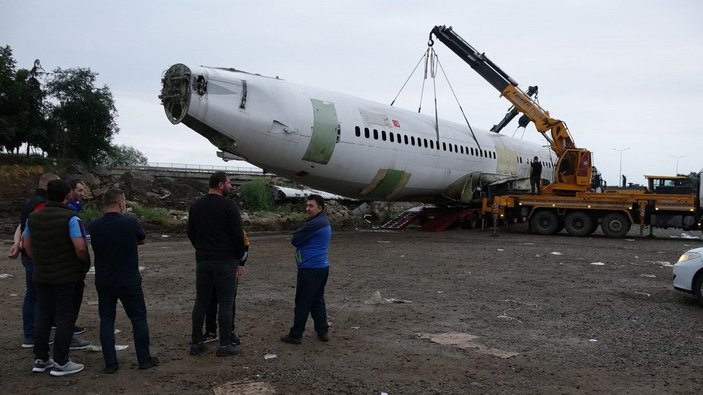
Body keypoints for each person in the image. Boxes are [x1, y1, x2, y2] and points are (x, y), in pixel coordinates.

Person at [23, 180, 91, 376]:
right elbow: (80, 247)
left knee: (43, 316)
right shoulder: (71, 218)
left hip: (42, 274)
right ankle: (62, 360)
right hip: (68, 276)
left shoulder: (33, 218)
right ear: (67, 195)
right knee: (65, 317)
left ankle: (41, 358)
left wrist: (39, 261)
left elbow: (27, 245)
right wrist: (84, 262)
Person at [88, 188, 159, 374]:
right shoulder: (130, 222)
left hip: (104, 279)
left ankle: (110, 363)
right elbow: (141, 238)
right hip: (128, 279)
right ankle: (144, 358)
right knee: (138, 319)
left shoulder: (94, 225)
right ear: (121, 202)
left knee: (107, 320)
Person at [187, 171, 246, 357]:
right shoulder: (229, 205)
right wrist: (239, 259)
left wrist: (202, 248)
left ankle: (197, 342)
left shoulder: (196, 205)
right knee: (226, 302)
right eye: (229, 183)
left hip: (203, 260)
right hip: (226, 261)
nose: (231, 186)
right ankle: (225, 344)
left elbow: (191, 232)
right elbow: (238, 236)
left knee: (201, 300)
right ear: (220, 185)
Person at [8, 173, 59, 348]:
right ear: (51, 185)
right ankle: (31, 334)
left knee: (34, 295)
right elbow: (36, 229)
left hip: (29, 256)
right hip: (36, 257)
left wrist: (17, 243)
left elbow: (22, 226)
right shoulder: (41, 204)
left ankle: (33, 332)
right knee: (37, 296)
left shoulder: (31, 201)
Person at [281, 194, 332, 344]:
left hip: (310, 269)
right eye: (307, 205)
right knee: (317, 300)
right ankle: (322, 331)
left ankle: (296, 334)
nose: (307, 209)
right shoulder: (323, 221)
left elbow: (295, 239)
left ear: (320, 208)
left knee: (303, 302)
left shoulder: (315, 224)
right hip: (321, 267)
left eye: (311, 206)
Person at [203, 229, 250, 345]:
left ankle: (229, 332)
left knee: (228, 302)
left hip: (228, 267)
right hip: (214, 266)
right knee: (212, 300)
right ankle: (211, 331)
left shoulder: (234, 224)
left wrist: (240, 263)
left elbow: (245, 246)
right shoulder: (209, 223)